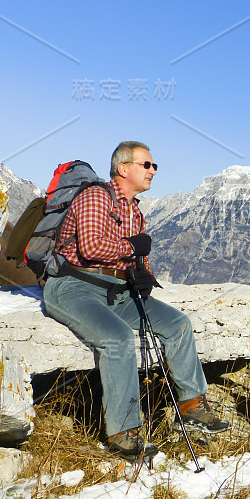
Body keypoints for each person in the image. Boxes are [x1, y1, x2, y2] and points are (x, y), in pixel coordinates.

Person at [43, 141, 228, 458]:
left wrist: (144, 275)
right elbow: (90, 248)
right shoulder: (95, 197)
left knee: (178, 324)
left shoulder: (134, 211)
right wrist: (133, 248)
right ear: (123, 168)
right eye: (147, 164)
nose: (153, 170)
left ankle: (192, 406)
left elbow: (136, 256)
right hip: (73, 285)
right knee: (116, 338)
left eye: (154, 166)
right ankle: (123, 432)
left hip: (117, 290)